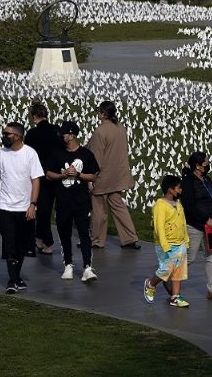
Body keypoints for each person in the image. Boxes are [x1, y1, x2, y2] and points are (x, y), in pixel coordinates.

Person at [0, 122, 43, 294]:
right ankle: (12, 280)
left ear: (17, 136)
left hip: (25, 207)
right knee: (9, 242)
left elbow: (36, 180)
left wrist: (33, 204)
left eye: (7, 133)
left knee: (22, 244)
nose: (4, 136)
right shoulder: (1, 153)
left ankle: (16, 278)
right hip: (5, 206)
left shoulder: (30, 154)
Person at [46, 121, 99, 283]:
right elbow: (48, 174)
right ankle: (68, 264)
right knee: (64, 234)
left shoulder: (86, 154)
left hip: (81, 201)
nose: (62, 136)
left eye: (64, 133)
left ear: (72, 135)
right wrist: (63, 175)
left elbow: (93, 176)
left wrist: (77, 175)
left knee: (84, 233)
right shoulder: (56, 153)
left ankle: (87, 267)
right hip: (63, 201)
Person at [87, 101, 141, 249]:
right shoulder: (120, 128)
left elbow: (96, 157)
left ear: (103, 114)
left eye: (98, 111)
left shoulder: (100, 131)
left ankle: (97, 240)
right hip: (118, 175)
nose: (97, 113)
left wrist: (91, 178)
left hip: (103, 177)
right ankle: (130, 238)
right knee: (119, 207)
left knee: (99, 210)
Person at [180, 151, 212, 301]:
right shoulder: (188, 182)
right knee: (190, 257)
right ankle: (170, 278)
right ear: (197, 166)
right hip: (195, 225)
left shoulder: (206, 179)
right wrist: (205, 219)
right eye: (206, 163)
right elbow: (188, 206)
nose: (208, 165)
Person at [23, 100, 63, 256]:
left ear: (34, 117)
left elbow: (28, 156)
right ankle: (40, 239)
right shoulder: (57, 130)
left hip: (40, 175)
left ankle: (45, 242)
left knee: (42, 209)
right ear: (46, 115)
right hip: (58, 174)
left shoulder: (32, 134)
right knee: (54, 209)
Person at [144, 175, 191, 308]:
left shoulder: (178, 204)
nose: (180, 190)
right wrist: (165, 245)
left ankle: (175, 297)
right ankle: (151, 284)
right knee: (166, 269)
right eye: (178, 188)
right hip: (166, 244)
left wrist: (186, 240)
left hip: (180, 242)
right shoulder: (160, 205)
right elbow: (159, 227)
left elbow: (182, 222)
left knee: (178, 270)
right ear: (170, 190)